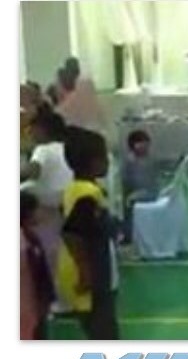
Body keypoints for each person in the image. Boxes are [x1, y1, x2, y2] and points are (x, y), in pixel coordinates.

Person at [57, 127, 120, 340]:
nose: (108, 162)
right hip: (92, 275)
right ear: (94, 162)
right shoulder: (87, 194)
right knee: (104, 333)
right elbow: (71, 234)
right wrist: (85, 272)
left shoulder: (75, 187)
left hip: (93, 268)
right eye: (104, 157)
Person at [21, 111, 73, 296]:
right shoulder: (67, 148)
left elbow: (33, 172)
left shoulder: (43, 150)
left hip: (45, 207)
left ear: (42, 130)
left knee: (46, 252)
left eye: (32, 129)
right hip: (66, 203)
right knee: (60, 251)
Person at [20, 191, 56, 340]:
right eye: (37, 209)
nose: (40, 213)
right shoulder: (24, 241)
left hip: (35, 306)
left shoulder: (31, 238)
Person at [121, 130, 159, 243]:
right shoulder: (130, 161)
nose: (147, 147)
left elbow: (149, 182)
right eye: (143, 144)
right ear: (135, 145)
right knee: (128, 205)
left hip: (149, 192)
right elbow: (130, 182)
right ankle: (129, 234)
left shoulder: (149, 159)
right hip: (136, 194)